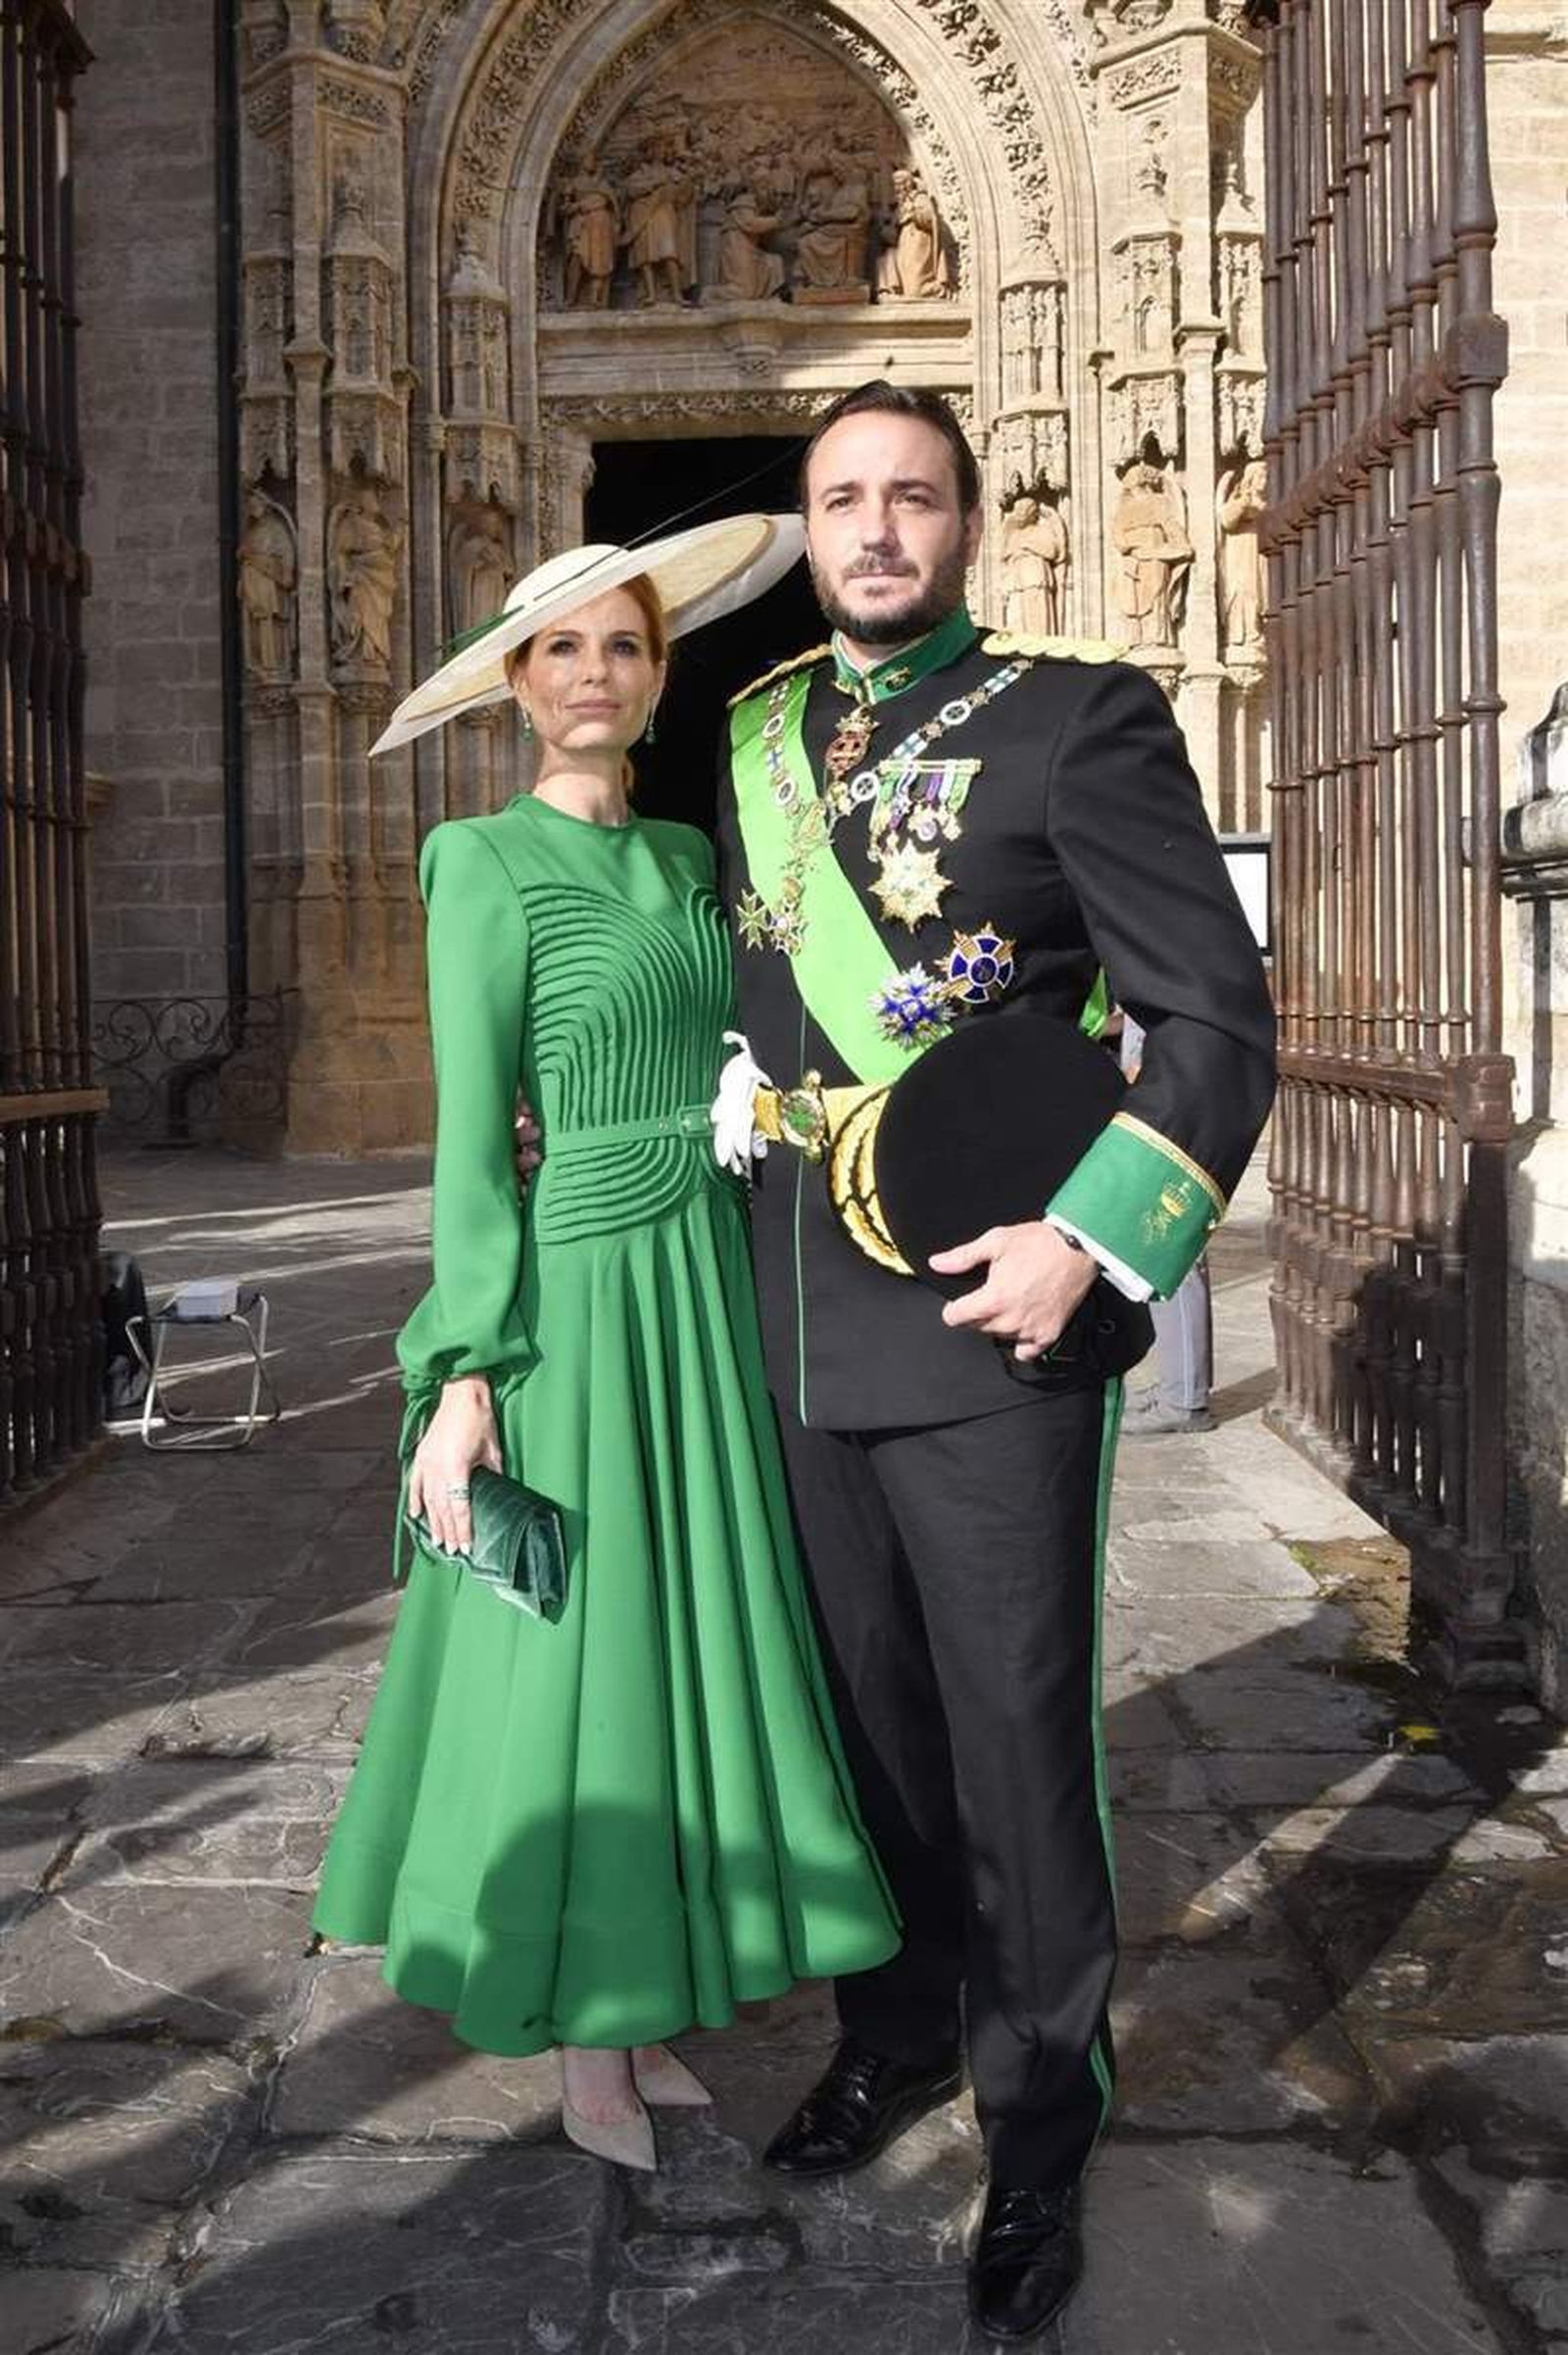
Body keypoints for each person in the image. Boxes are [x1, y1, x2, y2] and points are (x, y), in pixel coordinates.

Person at [710, 383, 1276, 2340]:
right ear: (805, 524)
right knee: (866, 1726)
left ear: (967, 520)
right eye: (840, 498)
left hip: (985, 1311)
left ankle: (1039, 2119)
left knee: (1017, 1739)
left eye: (910, 498)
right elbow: (761, 995)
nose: (874, 530)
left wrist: (1088, 1241)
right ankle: (892, 2030)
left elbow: (1211, 1018)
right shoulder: (754, 733)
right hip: (795, 1311)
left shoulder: (1078, 713)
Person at [313, 515, 899, 2177]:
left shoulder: (686, 862)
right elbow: (469, 1143)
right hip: (576, 1294)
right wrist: (465, 1367)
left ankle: (641, 2000)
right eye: (562, 647)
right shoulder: (477, 865)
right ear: (515, 682)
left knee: (686, 1632)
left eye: (625, 645)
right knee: (584, 1646)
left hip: (700, 1278)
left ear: (656, 677)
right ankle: (581, 2034)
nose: (595, 672)